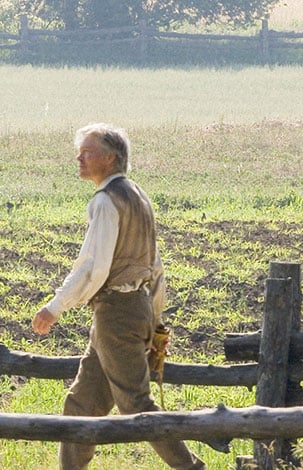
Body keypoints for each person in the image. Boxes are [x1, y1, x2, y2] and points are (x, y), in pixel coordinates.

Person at [32, 123, 206, 470]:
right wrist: (154, 320)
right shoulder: (138, 196)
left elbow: (93, 267)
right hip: (130, 310)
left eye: (88, 152)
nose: (79, 158)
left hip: (116, 313)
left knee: (136, 405)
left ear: (110, 158)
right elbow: (155, 268)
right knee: (81, 406)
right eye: (80, 152)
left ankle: (193, 469)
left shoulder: (106, 201)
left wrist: (55, 307)